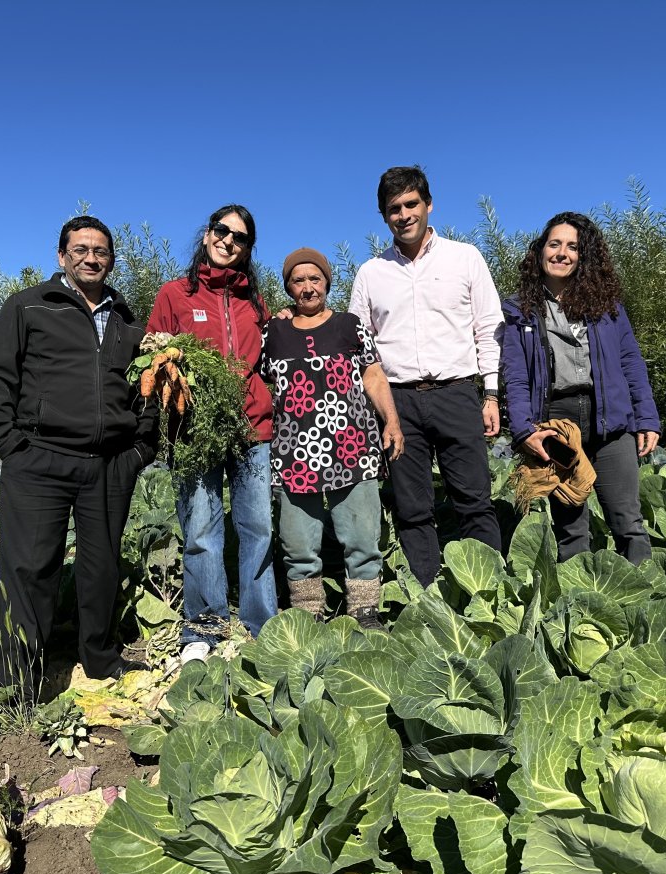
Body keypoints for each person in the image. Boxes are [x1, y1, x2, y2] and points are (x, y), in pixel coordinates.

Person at [0, 215, 158, 702]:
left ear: (111, 260)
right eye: (81, 249)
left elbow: (146, 389)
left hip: (109, 462)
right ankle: (16, 682)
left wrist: (142, 447)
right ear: (62, 256)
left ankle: (99, 658)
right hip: (40, 457)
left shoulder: (125, 321)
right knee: (30, 569)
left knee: (102, 567)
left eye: (100, 251)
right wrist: (11, 443)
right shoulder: (28, 306)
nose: (91, 258)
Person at [349, 166, 504, 586]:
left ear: (428, 204)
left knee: (474, 500)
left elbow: (488, 330)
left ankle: (489, 592)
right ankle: (428, 596)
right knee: (412, 508)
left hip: (456, 393)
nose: (404, 214)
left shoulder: (465, 258)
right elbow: (358, 346)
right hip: (398, 403)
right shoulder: (370, 274)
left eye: (411, 204)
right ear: (384, 217)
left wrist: (490, 395)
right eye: (393, 208)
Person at [147, 205, 277, 663]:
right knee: (201, 528)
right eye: (222, 231)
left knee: (258, 527)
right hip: (195, 430)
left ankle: (263, 624)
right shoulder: (174, 295)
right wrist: (168, 369)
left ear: (247, 250)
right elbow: (153, 355)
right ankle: (204, 627)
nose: (229, 241)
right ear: (206, 235)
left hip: (252, 429)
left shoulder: (254, 302)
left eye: (240, 238)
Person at [500, 211, 660, 563]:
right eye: (554, 244)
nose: (562, 253)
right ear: (540, 251)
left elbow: (631, 363)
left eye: (572, 247)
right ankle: (579, 606)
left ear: (583, 257)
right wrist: (524, 429)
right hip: (558, 424)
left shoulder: (608, 308)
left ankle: (644, 600)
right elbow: (515, 375)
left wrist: (647, 418)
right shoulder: (519, 311)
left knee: (627, 520)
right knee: (571, 525)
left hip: (611, 420)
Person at [262, 248, 404, 627]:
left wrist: (391, 420)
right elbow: (258, 385)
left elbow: (373, 376)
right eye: (298, 280)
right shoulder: (272, 332)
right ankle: (308, 614)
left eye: (315, 279)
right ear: (288, 287)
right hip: (293, 449)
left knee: (360, 531)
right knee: (297, 540)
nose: (307, 288)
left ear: (326, 282)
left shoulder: (349, 325)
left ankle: (364, 610)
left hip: (352, 442)